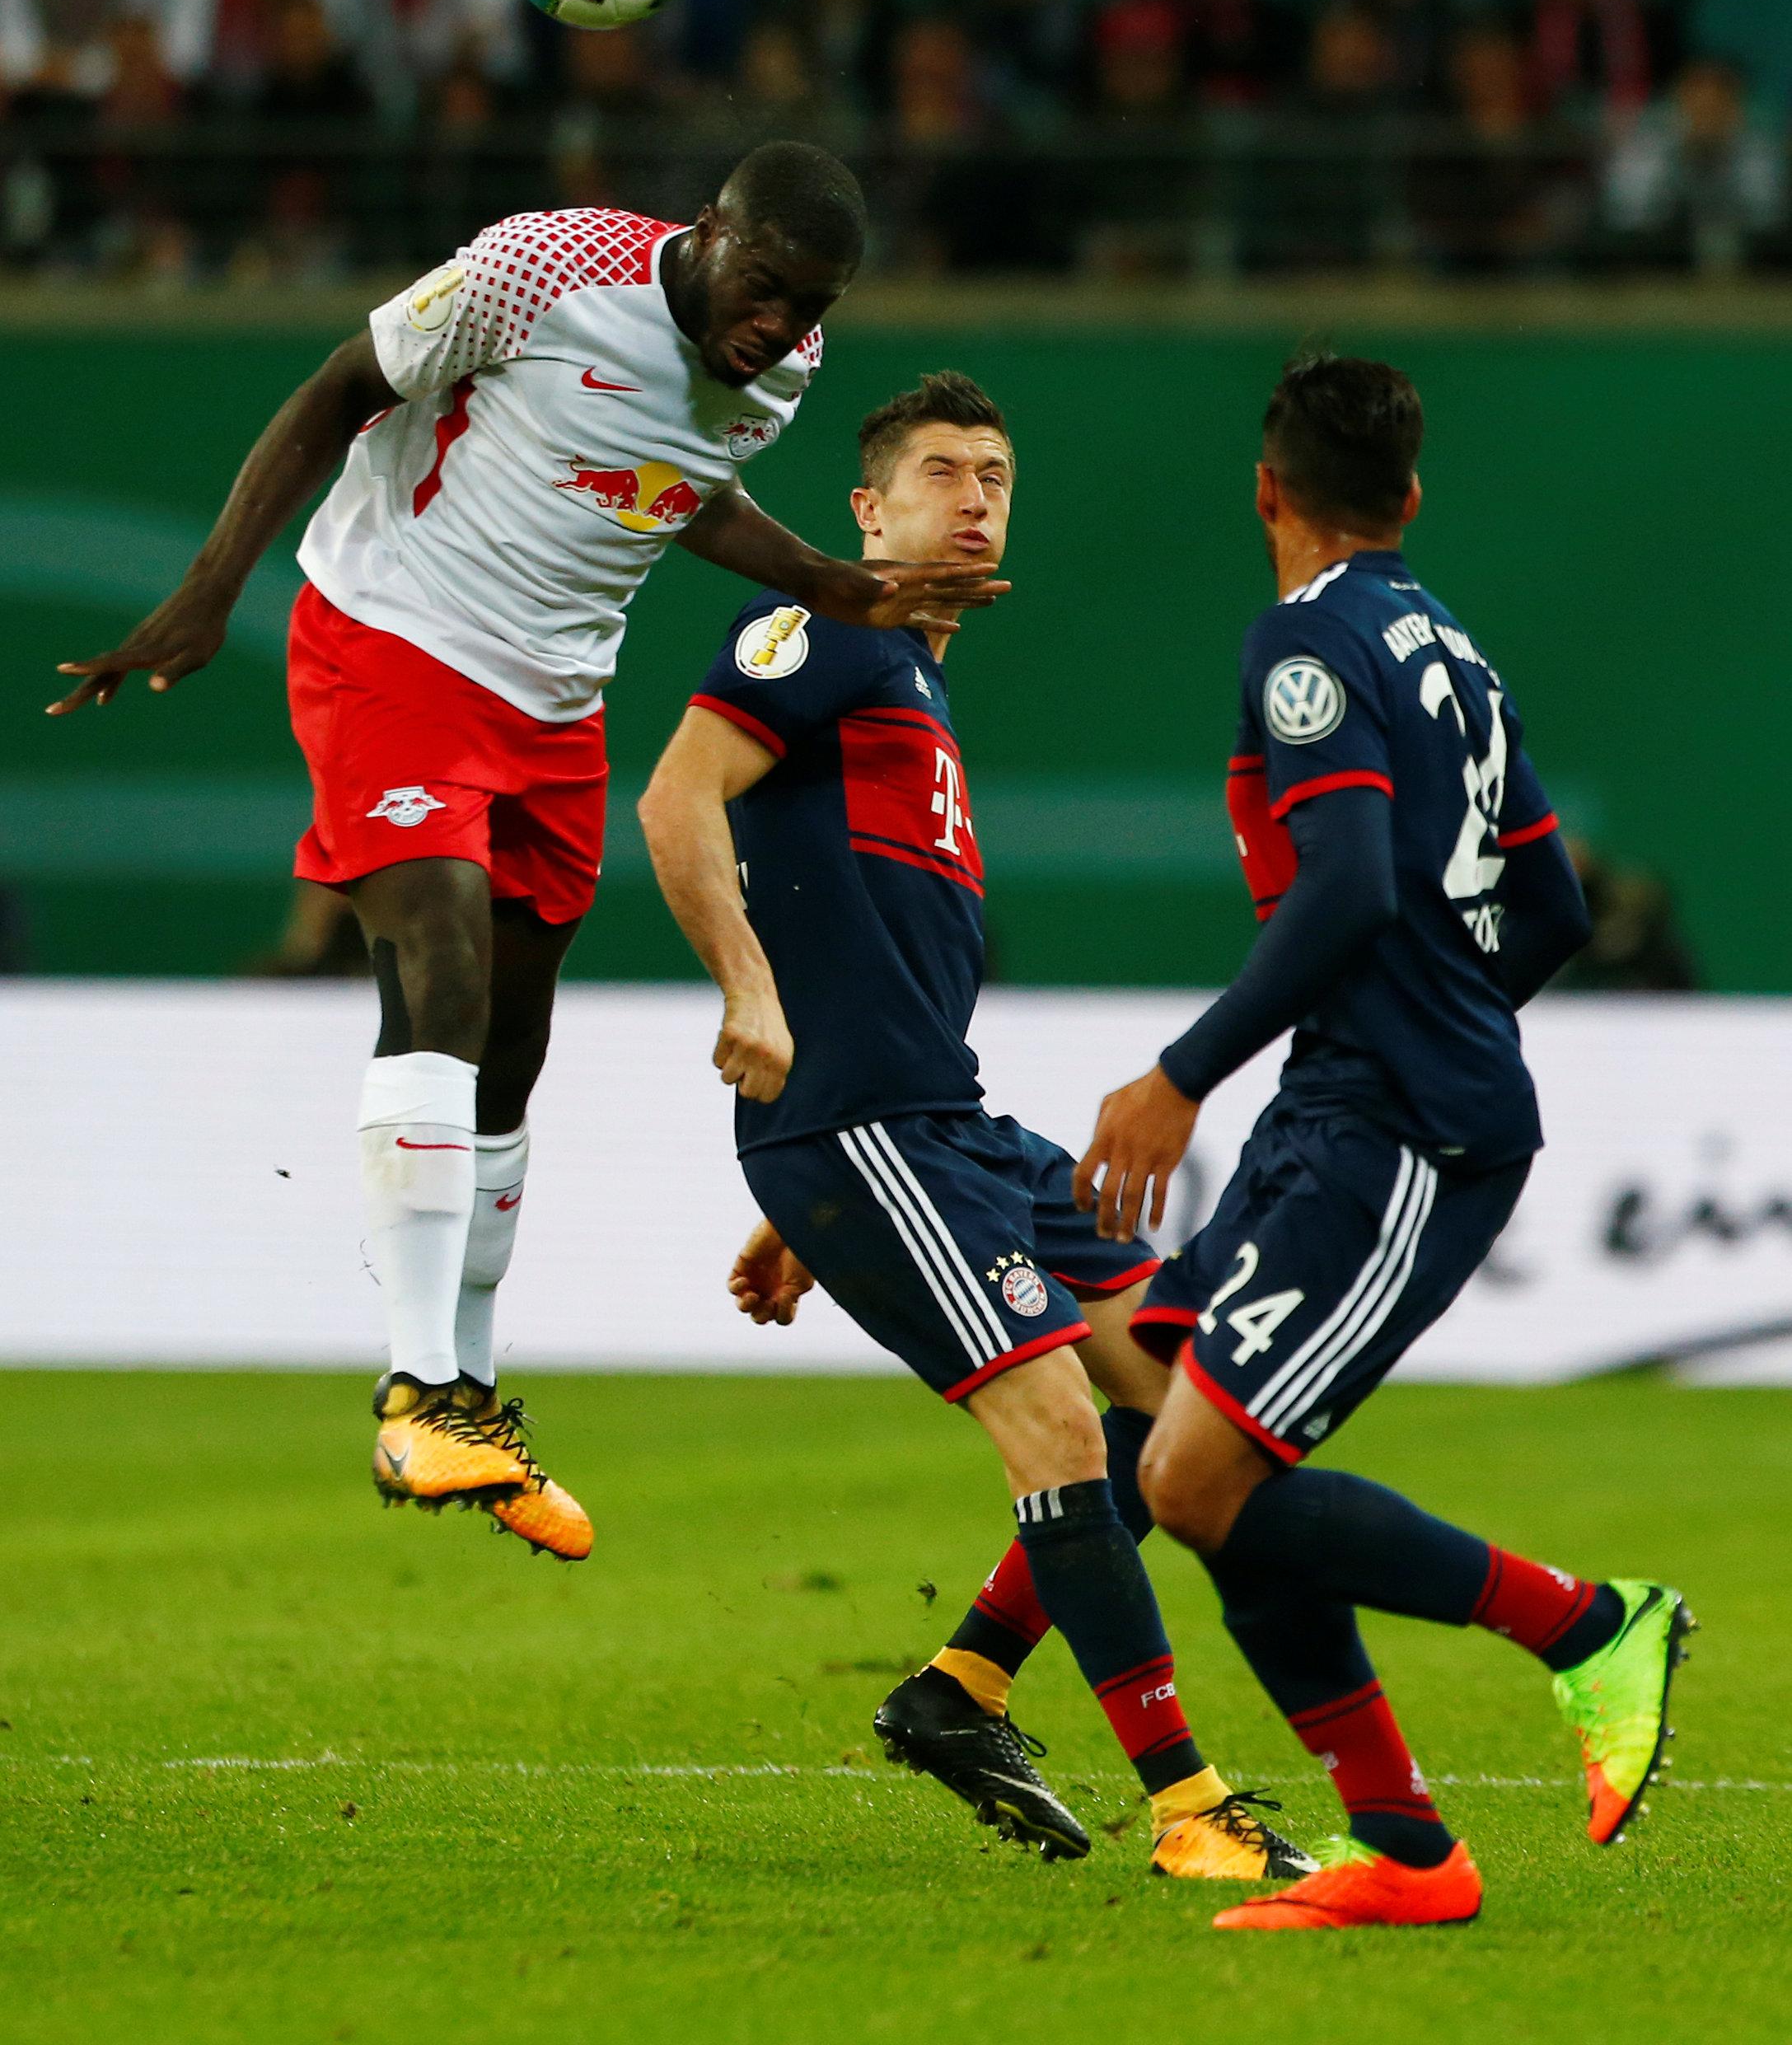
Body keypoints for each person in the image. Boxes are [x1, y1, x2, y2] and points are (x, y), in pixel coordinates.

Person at [49, 143, 1003, 1561]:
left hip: (557, 697)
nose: (778, 323)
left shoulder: (787, 367)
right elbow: (341, 387)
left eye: (810, 303)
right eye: (762, 286)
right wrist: (208, 590)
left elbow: (674, 484)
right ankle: (415, 1390)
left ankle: (475, 1401)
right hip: (394, 634)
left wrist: (829, 581)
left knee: (509, 1041)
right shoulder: (542, 267)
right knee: (436, 962)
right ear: (708, 231)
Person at [638, 372, 1312, 1887]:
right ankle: (1190, 1809)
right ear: (866, 510)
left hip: (933, 1128)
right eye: (940, 473)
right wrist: (750, 997)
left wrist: (805, 1201)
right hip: (870, 1128)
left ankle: (965, 1686)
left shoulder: (911, 678)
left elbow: (864, 937)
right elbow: (677, 800)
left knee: (1182, 1402)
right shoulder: (819, 629)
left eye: (995, 475)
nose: (975, 498)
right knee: (1060, 1428)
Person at [1072, 354, 1692, 1930]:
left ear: (1265, 491)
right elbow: (1552, 906)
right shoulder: (1452, 649)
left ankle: (1586, 1626)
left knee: (1195, 1473)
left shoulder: (1307, 639)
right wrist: (1442, 1013)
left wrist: (1181, 1076)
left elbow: (1345, 888)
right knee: (1184, 1440)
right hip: (1365, 1098)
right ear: (1410, 496)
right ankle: (1407, 1853)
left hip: (1397, 1121)